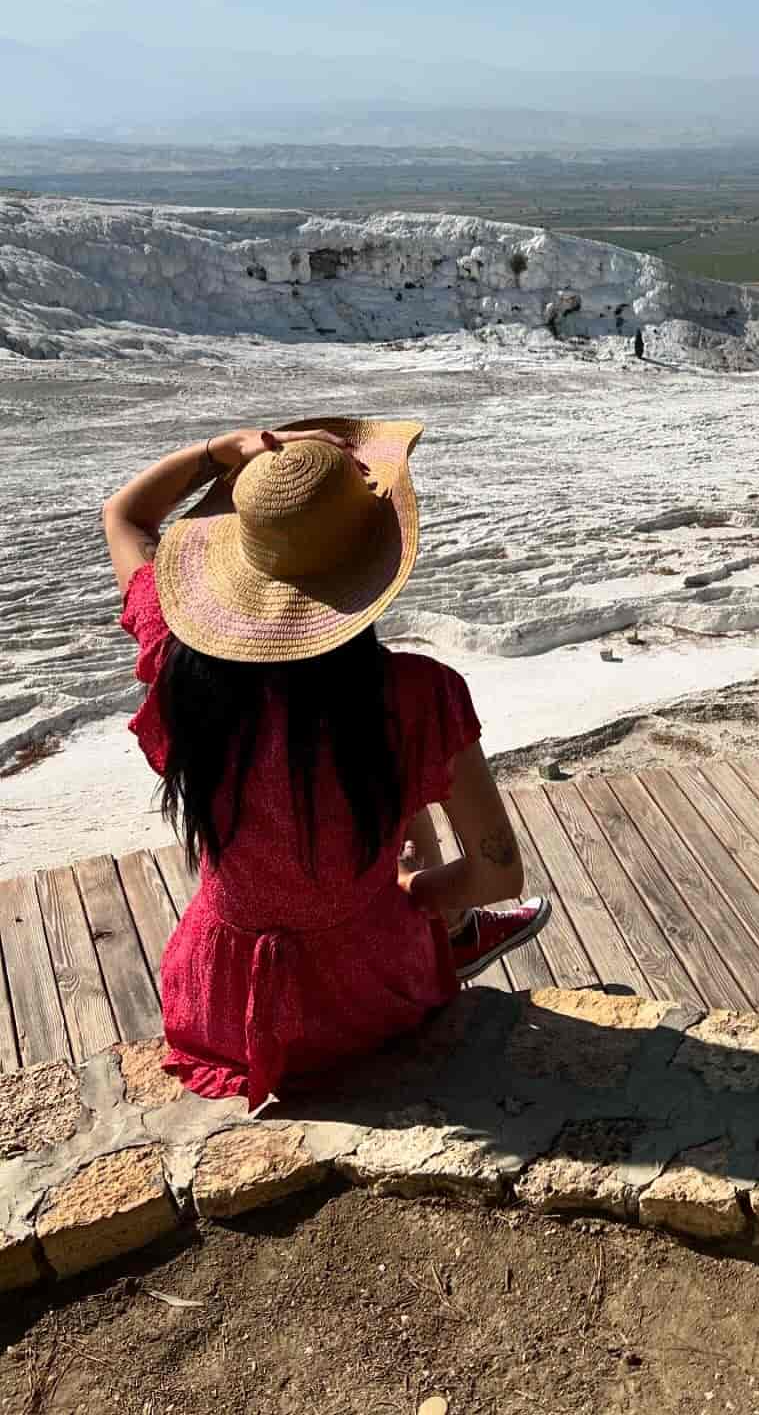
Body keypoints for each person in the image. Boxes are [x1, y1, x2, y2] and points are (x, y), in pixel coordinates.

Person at [101, 418, 551, 1110]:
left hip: (224, 1003)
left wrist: (225, 451)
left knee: (379, 783)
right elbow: (496, 871)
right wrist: (413, 896)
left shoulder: (173, 654)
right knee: (401, 783)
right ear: (369, 567)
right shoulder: (419, 694)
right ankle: (457, 938)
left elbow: (126, 515)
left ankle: (441, 926)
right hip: (364, 994)